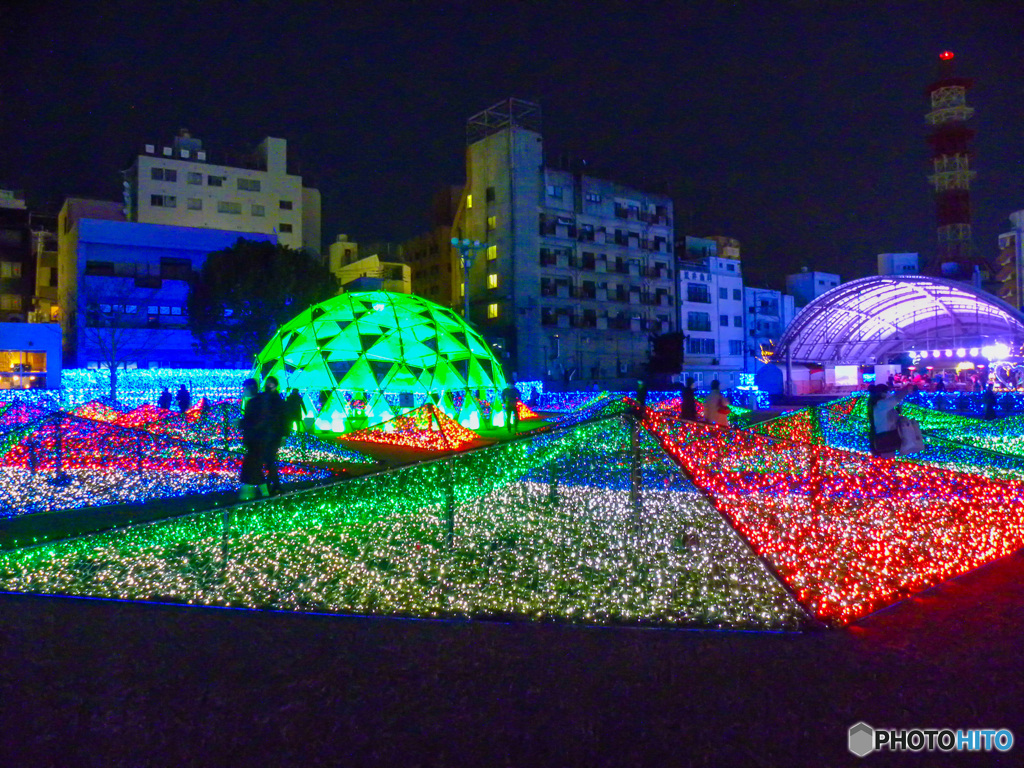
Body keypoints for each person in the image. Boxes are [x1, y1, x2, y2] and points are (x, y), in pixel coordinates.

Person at [258, 376, 288, 495]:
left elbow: (284, 419)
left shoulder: (278, 400)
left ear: (275, 385)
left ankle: (272, 485)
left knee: (269, 460)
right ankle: (271, 484)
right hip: (263, 434)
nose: (269, 385)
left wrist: (284, 435)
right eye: (268, 383)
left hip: (273, 435)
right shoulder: (262, 398)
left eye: (271, 384)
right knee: (266, 460)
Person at [238, 378, 268, 500]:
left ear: (250, 388)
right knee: (255, 468)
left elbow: (256, 422)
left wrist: (241, 423)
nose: (243, 391)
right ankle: (266, 495)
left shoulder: (255, 403)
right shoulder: (259, 401)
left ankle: (246, 497)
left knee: (249, 468)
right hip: (258, 441)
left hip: (256, 441)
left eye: (244, 388)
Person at [867, 383, 912, 458]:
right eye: (888, 392)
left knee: (888, 462)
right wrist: (907, 389)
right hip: (886, 438)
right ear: (882, 393)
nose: (889, 394)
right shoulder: (881, 404)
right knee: (887, 462)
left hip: (886, 437)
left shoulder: (879, 405)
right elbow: (896, 398)